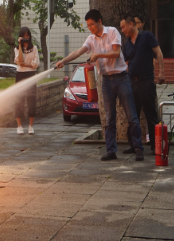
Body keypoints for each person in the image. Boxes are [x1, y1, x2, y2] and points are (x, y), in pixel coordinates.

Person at [56, 9, 145, 161]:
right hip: (106, 81)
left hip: (122, 78)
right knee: (110, 118)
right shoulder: (91, 39)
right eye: (88, 25)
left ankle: (138, 149)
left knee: (132, 116)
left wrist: (97, 55)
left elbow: (116, 52)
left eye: (92, 24)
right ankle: (111, 151)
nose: (90, 28)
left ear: (99, 21)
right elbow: (78, 52)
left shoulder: (112, 32)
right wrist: (63, 61)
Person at [120, 14, 165, 154]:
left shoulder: (147, 36)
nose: (122, 30)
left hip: (146, 81)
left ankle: (155, 145)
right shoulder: (127, 44)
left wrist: (161, 72)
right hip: (132, 83)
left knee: (150, 114)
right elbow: (125, 63)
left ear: (131, 24)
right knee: (133, 115)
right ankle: (134, 144)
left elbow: (158, 53)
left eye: (123, 27)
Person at [14, 27, 40, 135]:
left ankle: (30, 126)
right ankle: (19, 126)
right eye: (23, 36)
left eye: (27, 36)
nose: (26, 38)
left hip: (30, 75)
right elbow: (19, 61)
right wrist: (20, 45)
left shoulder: (34, 48)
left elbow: (35, 64)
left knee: (31, 100)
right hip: (20, 75)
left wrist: (26, 65)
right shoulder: (17, 49)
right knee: (19, 100)